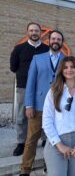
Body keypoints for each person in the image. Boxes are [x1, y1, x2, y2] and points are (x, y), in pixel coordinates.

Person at [20, 30, 64, 176]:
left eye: (58, 39)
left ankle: (49, 167)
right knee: (31, 139)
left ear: (62, 42)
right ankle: (25, 169)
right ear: (49, 41)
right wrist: (29, 105)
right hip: (38, 106)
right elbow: (30, 83)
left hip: (57, 107)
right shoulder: (37, 58)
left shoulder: (66, 60)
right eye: (53, 39)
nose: (56, 41)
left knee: (52, 139)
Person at [42, 56, 75, 176]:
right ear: (61, 70)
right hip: (57, 141)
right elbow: (47, 121)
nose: (69, 70)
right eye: (65, 67)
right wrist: (60, 145)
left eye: (72, 67)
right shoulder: (53, 91)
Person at [10, 22, 48, 156]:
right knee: (22, 116)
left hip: (42, 88)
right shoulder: (19, 49)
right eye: (31, 31)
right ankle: (21, 142)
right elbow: (13, 67)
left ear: (40, 32)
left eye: (36, 31)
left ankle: (45, 138)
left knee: (43, 114)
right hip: (24, 87)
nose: (34, 33)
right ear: (27, 32)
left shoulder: (46, 49)